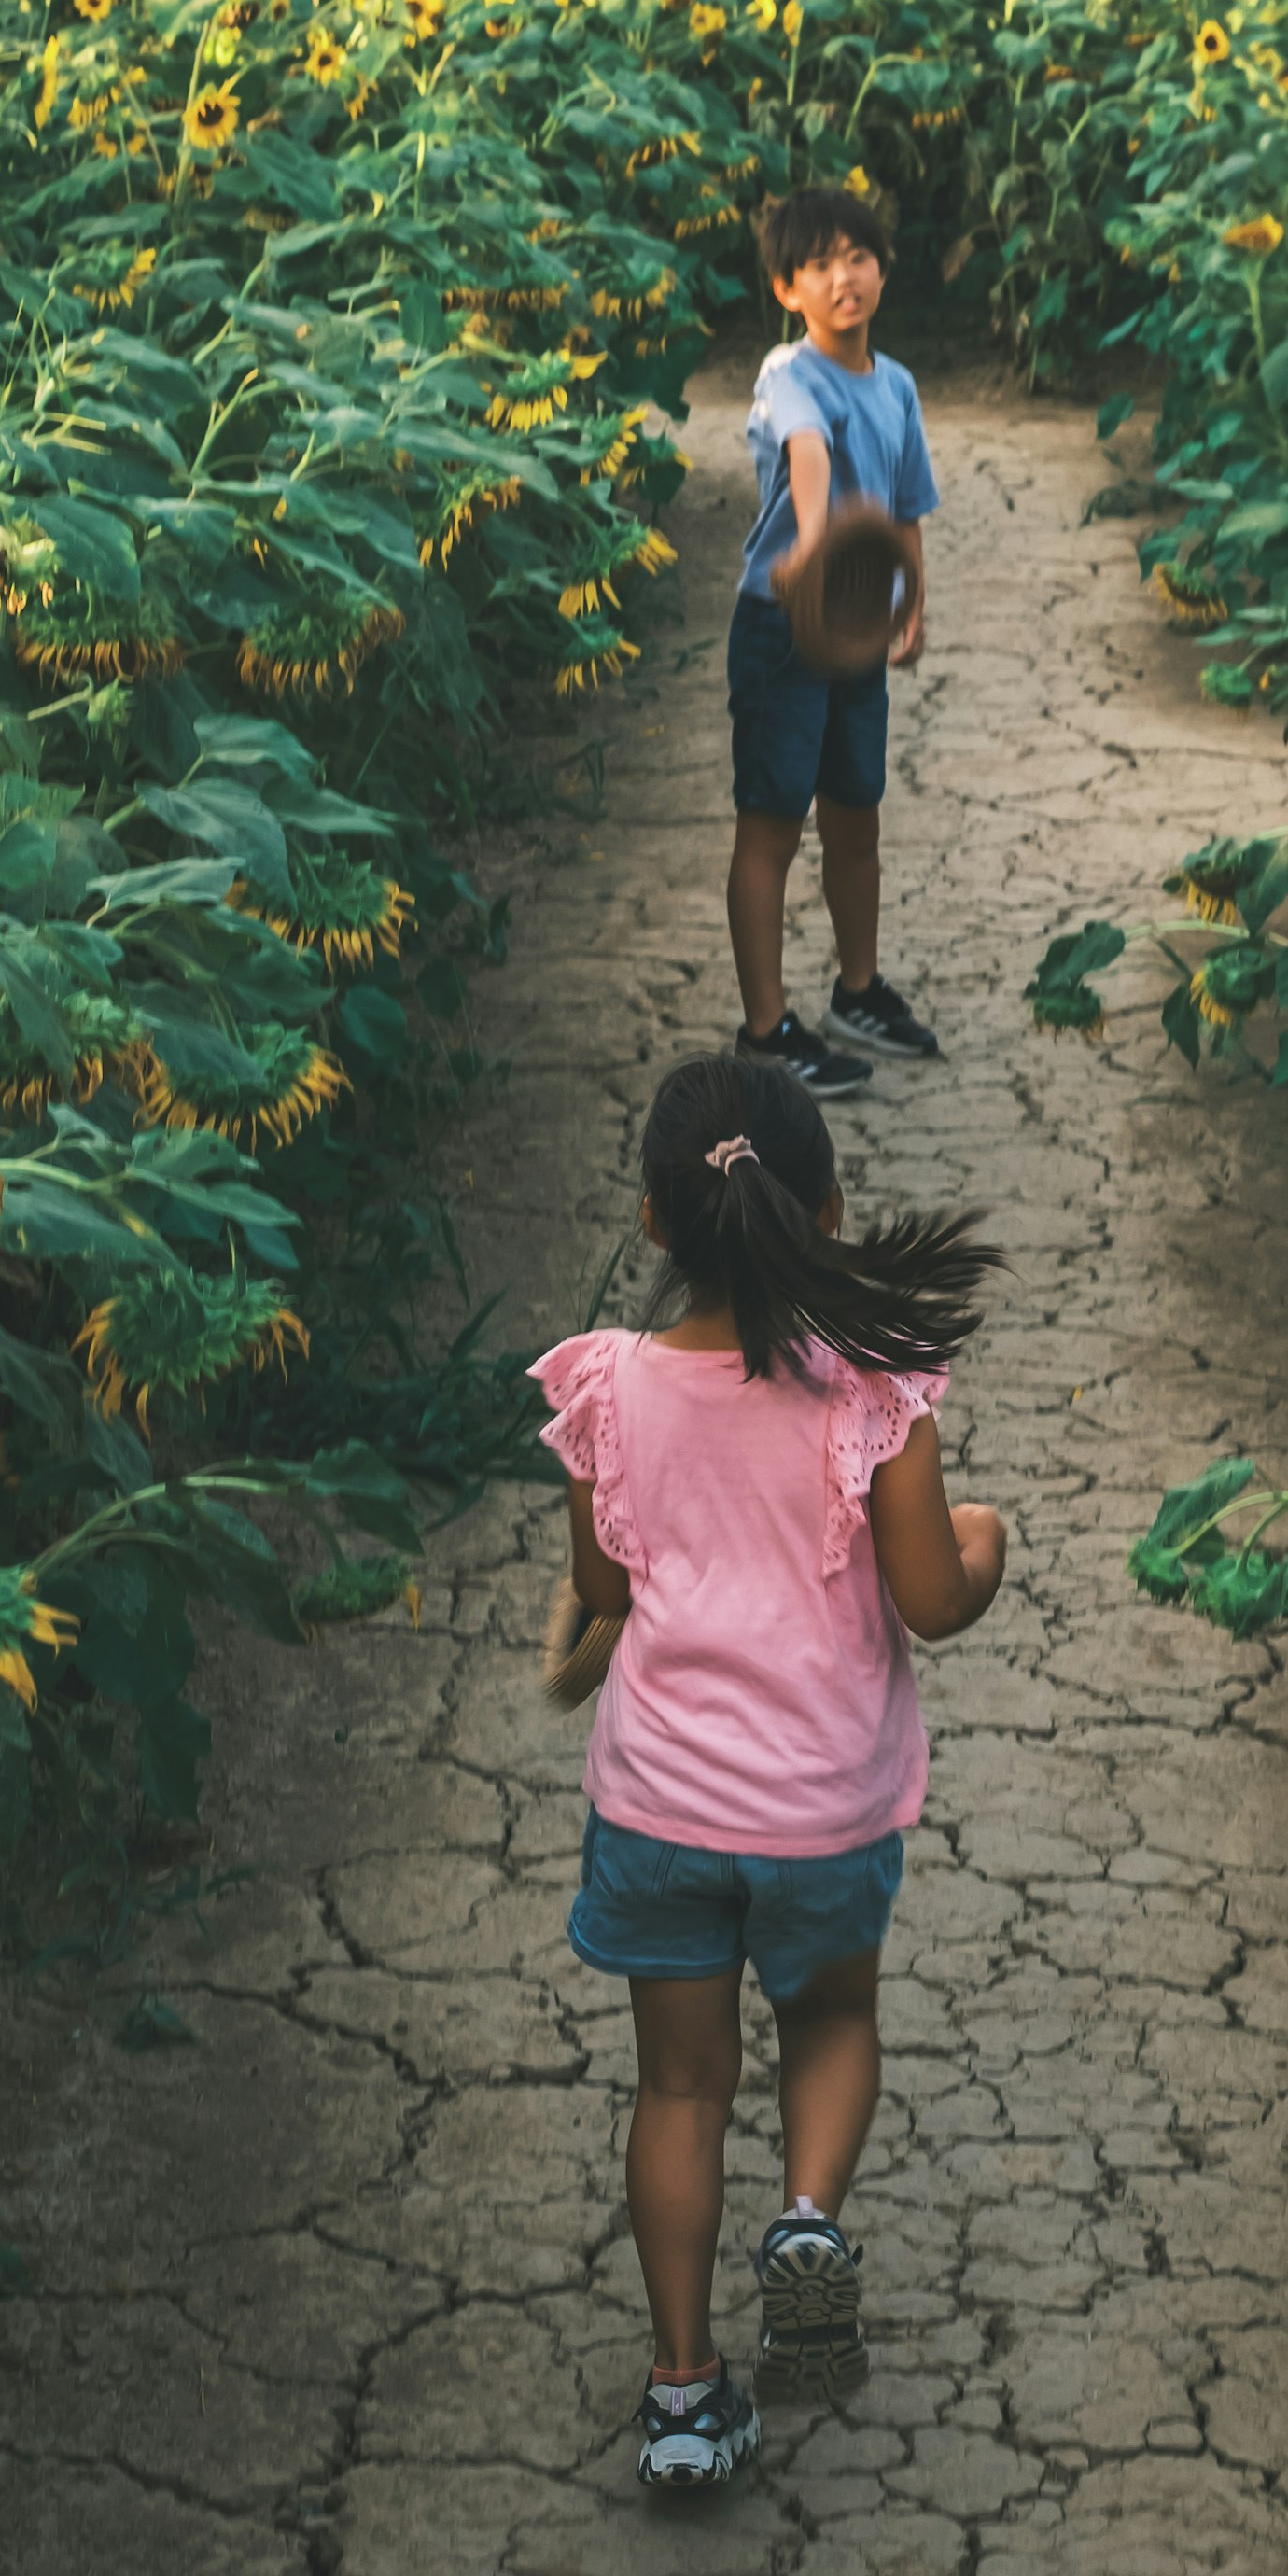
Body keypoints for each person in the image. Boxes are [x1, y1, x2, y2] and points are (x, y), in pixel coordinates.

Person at [533, 1051, 1007, 2490]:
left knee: (676, 2087)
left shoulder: (608, 1389)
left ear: (656, 1223)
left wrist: (581, 1637)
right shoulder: (873, 1392)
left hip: (663, 1803)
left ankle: (682, 2391)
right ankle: (806, 2216)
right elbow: (930, 1594)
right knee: (829, 2018)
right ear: (832, 1209)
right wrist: (988, 1545)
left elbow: (605, 1591)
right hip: (819, 1809)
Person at [728, 182, 944, 1098]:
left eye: (856, 256)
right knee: (773, 824)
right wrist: (814, 546)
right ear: (788, 290)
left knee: (857, 815)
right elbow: (808, 455)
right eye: (817, 265)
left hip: (858, 626)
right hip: (784, 624)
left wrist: (912, 604)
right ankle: (768, 1030)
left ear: (883, 270)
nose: (841, 277)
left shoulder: (895, 385)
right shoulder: (789, 375)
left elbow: (905, 509)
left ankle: (859, 993)